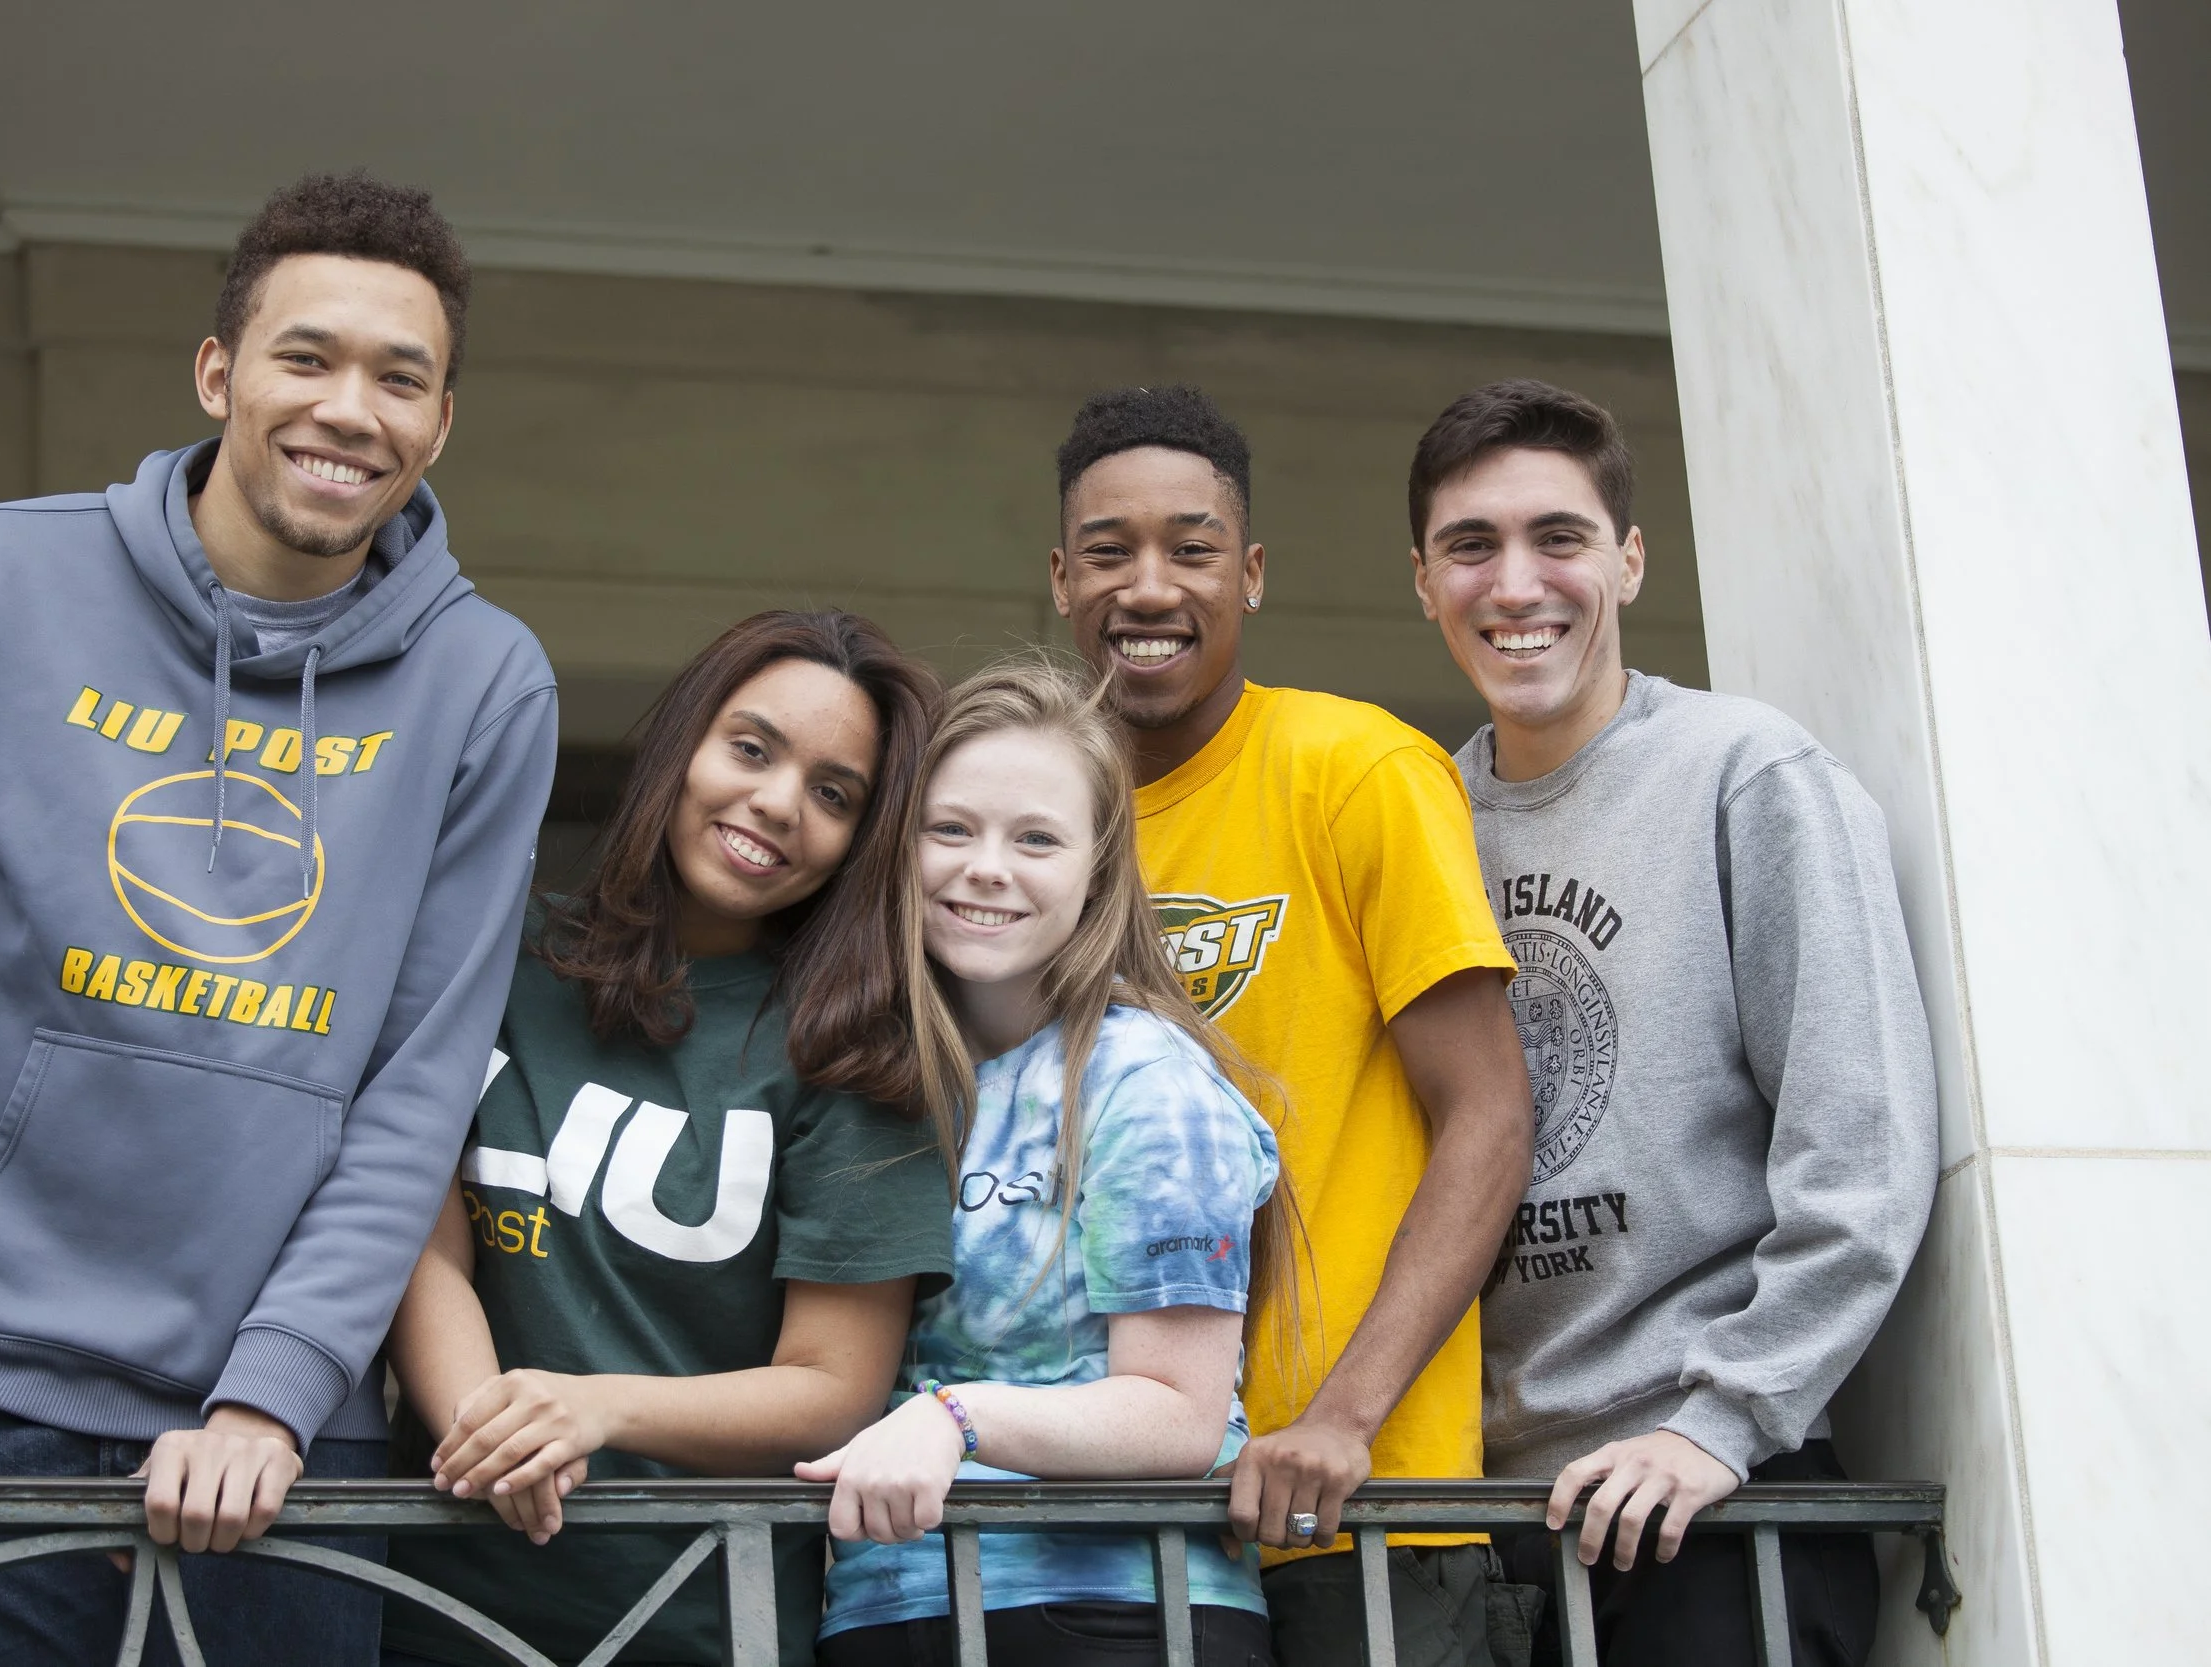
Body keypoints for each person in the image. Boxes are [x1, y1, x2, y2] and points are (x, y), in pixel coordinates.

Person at [0, 173, 559, 1664]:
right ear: (219, 372)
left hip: (289, 1445)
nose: (348, 409)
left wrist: (280, 1381)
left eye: (400, 377)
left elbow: (417, 1084)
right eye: (306, 357)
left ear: (442, 422)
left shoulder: (486, 685)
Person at [1406, 378, 1938, 1666]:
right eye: (1471, 546)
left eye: (1559, 538)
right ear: (1423, 581)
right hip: (1488, 1516)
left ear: (1629, 560)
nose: (1515, 583)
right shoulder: (1416, 818)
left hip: (1713, 1497)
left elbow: (1860, 1142)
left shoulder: (1746, 772)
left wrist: (1726, 1417)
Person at [1047, 386, 1536, 1667]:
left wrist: (1343, 1415)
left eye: (1191, 548)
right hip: (1117, 1514)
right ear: (1060, 579)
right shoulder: (1038, 830)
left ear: (1250, 575)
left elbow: (1487, 1115)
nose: (1148, 586)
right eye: (1109, 550)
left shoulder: (1355, 768)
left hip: (1362, 1503)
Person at [381, 610, 954, 1667]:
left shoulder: (853, 1054)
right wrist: (495, 1431)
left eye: (835, 794)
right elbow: (416, 1242)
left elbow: (833, 1381)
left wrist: (591, 1407)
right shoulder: (497, 953)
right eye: (751, 746)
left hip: (697, 1612)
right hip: (431, 1592)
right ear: (681, 741)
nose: (777, 803)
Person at [804, 656, 1289, 1667]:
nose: (987, 866)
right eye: (952, 828)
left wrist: (954, 1419)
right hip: (883, 1600)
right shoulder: (879, 1074)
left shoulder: (1143, 1077)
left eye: (1035, 838)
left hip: (1109, 1608)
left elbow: (1178, 1415)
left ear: (1097, 871)